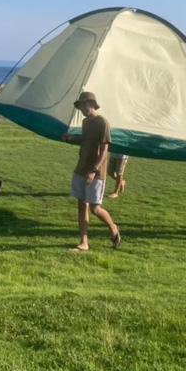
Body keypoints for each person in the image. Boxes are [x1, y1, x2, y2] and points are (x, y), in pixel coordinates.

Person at [61, 91, 121, 251]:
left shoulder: (103, 122)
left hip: (96, 172)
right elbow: (87, 140)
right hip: (81, 168)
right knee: (81, 205)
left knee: (95, 208)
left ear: (92, 104)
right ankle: (84, 243)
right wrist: (72, 138)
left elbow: (104, 150)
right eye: (80, 106)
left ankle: (113, 227)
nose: (82, 108)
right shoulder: (85, 122)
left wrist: (94, 170)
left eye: (84, 105)